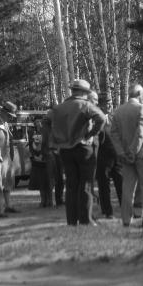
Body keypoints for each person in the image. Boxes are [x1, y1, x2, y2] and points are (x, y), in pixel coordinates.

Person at [50, 79, 106, 226]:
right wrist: (91, 134)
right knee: (86, 185)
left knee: (71, 185)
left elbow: (46, 121)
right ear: (83, 93)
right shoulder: (85, 105)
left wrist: (56, 139)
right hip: (83, 148)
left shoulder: (59, 107)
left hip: (65, 150)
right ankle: (86, 220)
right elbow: (101, 118)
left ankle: (71, 221)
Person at [110, 83, 143, 228]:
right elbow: (141, 132)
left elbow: (113, 134)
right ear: (139, 95)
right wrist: (133, 151)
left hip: (125, 156)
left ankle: (126, 219)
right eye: (142, 95)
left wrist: (122, 152)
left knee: (127, 188)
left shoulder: (118, 111)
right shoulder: (142, 108)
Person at [91, 91, 123, 219]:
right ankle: (107, 211)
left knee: (121, 184)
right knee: (104, 186)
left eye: (110, 103)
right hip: (102, 158)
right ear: (101, 105)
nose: (109, 106)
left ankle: (126, 209)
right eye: (107, 104)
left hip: (117, 158)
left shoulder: (114, 118)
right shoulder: (96, 120)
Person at [0, 101, 19, 213]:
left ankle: (8, 205)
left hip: (7, 158)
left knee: (8, 182)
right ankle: (0, 207)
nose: (11, 118)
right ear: (3, 112)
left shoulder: (5, 124)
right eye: (9, 115)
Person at [28, 117, 52, 208]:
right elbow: (31, 144)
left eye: (39, 121)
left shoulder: (46, 132)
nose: (38, 123)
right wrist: (34, 155)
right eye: (36, 122)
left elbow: (48, 144)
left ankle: (50, 201)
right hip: (36, 159)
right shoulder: (32, 132)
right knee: (40, 182)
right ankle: (43, 201)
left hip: (46, 158)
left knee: (48, 181)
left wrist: (42, 154)